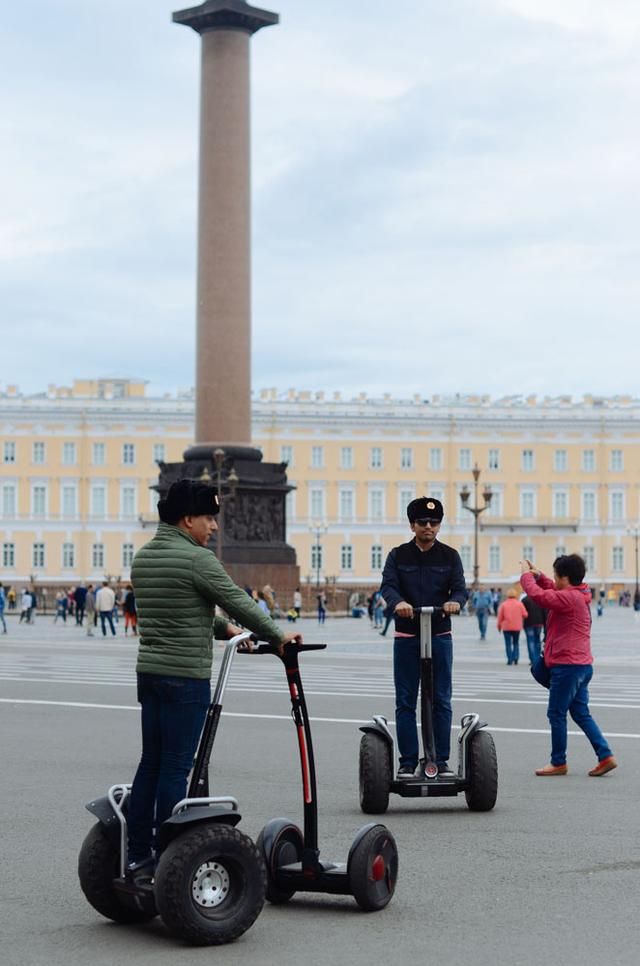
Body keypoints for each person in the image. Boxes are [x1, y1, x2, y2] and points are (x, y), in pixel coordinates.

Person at [125, 478, 302, 877]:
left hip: (150, 674)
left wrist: (226, 632)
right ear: (188, 519)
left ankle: (138, 853)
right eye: (209, 517)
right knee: (175, 768)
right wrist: (277, 634)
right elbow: (237, 600)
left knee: (149, 763)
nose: (215, 526)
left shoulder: (145, 557)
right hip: (185, 678)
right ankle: (169, 858)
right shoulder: (197, 559)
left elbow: (184, 612)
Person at [381, 497, 467, 779]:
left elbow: (460, 590)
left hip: (439, 634)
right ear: (412, 525)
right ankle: (407, 761)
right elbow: (388, 586)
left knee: (441, 698)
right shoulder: (398, 555)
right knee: (405, 700)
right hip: (407, 634)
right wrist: (398, 603)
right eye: (422, 522)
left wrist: (455, 602)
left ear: (439, 525)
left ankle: (440, 761)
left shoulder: (450, 556)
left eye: (434, 522)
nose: (428, 527)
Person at [520, 554, 617, 778]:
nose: (553, 579)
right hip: (581, 665)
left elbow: (539, 596)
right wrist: (540, 576)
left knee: (556, 712)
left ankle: (558, 762)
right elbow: (552, 590)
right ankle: (605, 755)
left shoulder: (569, 599)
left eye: (556, 576)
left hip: (567, 666)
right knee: (581, 713)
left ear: (565, 578)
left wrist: (526, 576)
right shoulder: (578, 594)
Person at [496, 589, 527, 665]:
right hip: (517, 627)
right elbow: (525, 614)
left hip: (506, 627)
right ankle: (516, 658)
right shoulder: (519, 604)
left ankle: (509, 659)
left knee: (508, 643)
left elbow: (500, 617)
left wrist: (499, 626)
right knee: (516, 643)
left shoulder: (504, 604)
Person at [522, 593, 545, 665]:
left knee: (530, 641)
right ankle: (537, 659)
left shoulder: (524, 600)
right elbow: (544, 612)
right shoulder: (540, 599)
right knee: (537, 641)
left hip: (528, 623)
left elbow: (523, 613)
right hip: (539, 622)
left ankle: (532, 659)